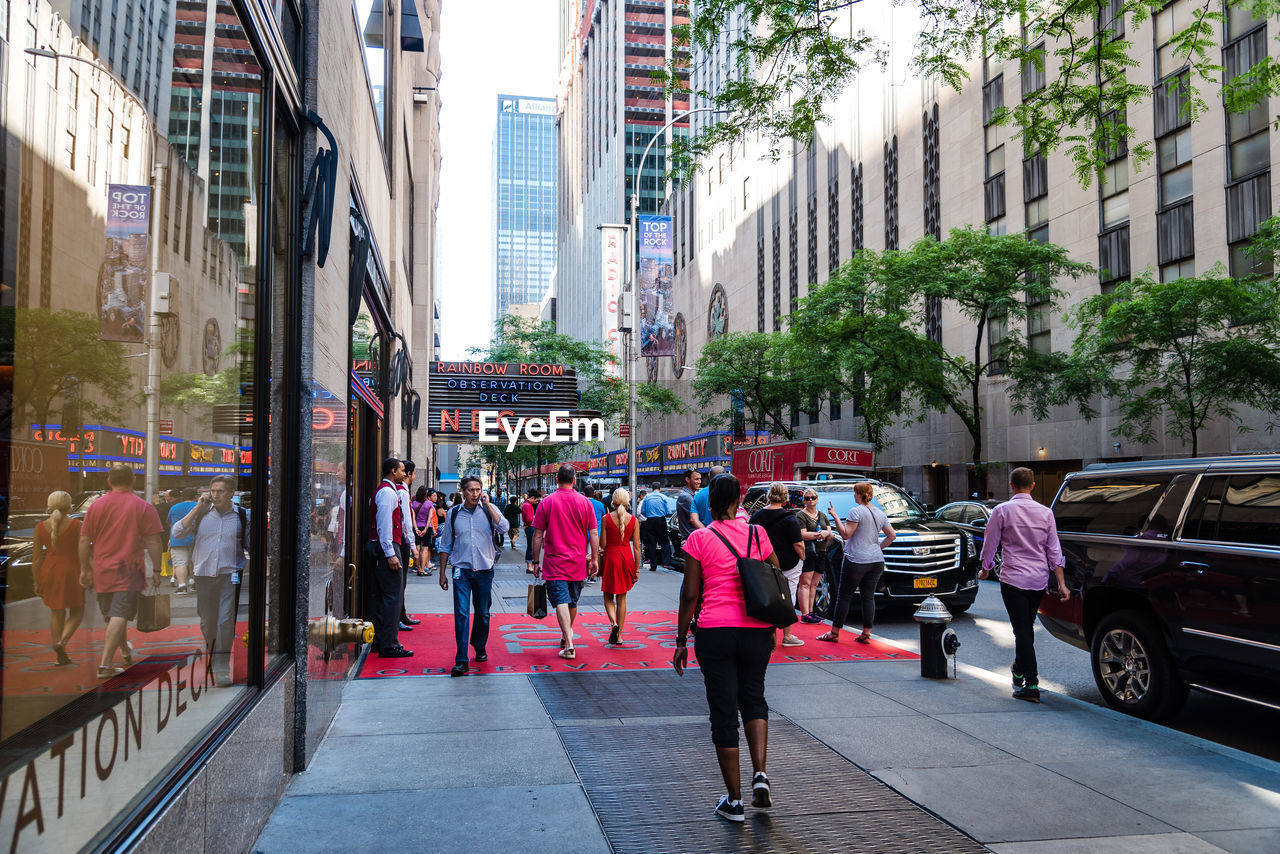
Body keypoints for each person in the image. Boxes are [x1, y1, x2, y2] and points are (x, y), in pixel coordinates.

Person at [673, 473, 778, 824]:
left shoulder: (700, 539)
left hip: (715, 630)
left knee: (723, 712)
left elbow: (690, 594)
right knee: (754, 698)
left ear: (710, 501)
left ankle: (734, 802)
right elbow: (775, 572)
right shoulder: (758, 534)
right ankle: (760, 773)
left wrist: (680, 639)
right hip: (756, 629)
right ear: (739, 501)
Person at [979, 467, 1070, 703]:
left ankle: (1031, 684)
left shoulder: (1001, 511)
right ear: (1032, 486)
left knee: (1022, 630)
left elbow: (991, 543)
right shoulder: (1045, 513)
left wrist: (986, 567)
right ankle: (1019, 670)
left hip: (1013, 579)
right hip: (1038, 580)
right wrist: (1061, 583)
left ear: (1011, 486)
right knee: (1025, 629)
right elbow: (1054, 550)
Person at [79, 465, 164, 679]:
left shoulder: (95, 506)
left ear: (108, 481)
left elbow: (83, 540)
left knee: (113, 615)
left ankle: (125, 650)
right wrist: (156, 569)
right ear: (133, 480)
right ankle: (105, 664)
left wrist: (84, 569)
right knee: (119, 613)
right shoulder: (142, 507)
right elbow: (154, 541)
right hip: (130, 569)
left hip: (102, 568)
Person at [172, 476, 249, 687]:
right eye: (213, 490)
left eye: (221, 491)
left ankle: (221, 664)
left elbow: (251, 544)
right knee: (207, 622)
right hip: (204, 574)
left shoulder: (242, 516)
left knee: (225, 621)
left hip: (229, 574)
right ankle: (215, 656)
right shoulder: (202, 513)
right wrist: (197, 508)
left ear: (231, 493)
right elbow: (177, 532)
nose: (215, 495)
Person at [436, 475, 509, 677]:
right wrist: (442, 572)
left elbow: (504, 527)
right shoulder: (454, 513)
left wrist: (489, 506)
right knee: (461, 613)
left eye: (478, 490)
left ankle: (479, 645)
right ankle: (461, 659)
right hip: (461, 571)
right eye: (471, 490)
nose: (475, 494)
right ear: (463, 491)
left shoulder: (488, 511)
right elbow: (446, 544)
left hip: (485, 570)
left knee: (483, 613)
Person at [531, 464, 599, 659]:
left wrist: (535, 561)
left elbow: (537, 535)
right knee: (572, 601)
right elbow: (593, 533)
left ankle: (569, 643)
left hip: (554, 562)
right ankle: (566, 635)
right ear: (574, 480)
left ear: (557, 480)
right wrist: (594, 558)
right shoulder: (585, 502)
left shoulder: (547, 502)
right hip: (578, 561)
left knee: (561, 600)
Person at [820, 482, 896, 645]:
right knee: (868, 597)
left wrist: (834, 516)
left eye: (855, 493)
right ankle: (866, 633)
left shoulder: (855, 511)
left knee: (844, 597)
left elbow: (846, 534)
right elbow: (892, 535)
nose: (853, 496)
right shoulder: (879, 512)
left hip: (856, 559)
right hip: (876, 560)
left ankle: (834, 632)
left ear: (860, 494)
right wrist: (877, 548)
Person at [749, 483, 806, 647]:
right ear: (785, 497)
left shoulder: (757, 516)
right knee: (788, 597)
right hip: (788, 563)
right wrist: (803, 557)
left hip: (763, 562)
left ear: (768, 496)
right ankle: (787, 635)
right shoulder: (790, 518)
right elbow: (798, 544)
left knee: (766, 595)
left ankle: (766, 631)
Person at [33, 490, 84, 666]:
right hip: (71, 570)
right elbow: (82, 551)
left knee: (56, 612)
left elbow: (37, 558)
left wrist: (36, 580)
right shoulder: (76, 525)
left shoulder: (40, 527)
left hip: (49, 570)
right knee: (77, 611)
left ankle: (58, 654)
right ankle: (62, 643)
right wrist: (88, 571)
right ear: (68, 505)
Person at [367, 457, 411, 658]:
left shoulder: (385, 491)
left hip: (381, 547)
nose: (404, 474)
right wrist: (391, 553)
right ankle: (389, 644)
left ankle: (380, 641)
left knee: (382, 597)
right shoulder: (387, 492)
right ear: (393, 471)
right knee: (393, 597)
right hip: (385, 547)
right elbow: (384, 524)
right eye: (402, 470)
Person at [600, 487, 641, 645]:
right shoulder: (634, 521)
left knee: (608, 595)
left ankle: (613, 624)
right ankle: (620, 635)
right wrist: (636, 569)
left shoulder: (606, 519)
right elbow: (637, 547)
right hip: (626, 558)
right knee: (622, 598)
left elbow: (603, 544)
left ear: (614, 501)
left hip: (611, 557)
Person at [795, 489, 835, 622]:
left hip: (821, 551)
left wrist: (825, 533)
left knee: (814, 583)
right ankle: (805, 614)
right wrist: (820, 534)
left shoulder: (822, 515)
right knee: (805, 583)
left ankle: (811, 612)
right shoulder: (801, 515)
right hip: (808, 552)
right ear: (804, 501)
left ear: (817, 499)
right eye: (807, 498)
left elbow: (830, 532)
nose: (811, 500)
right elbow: (802, 534)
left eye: (813, 497)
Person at [397, 461, 420, 630]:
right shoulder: (403, 493)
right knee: (400, 582)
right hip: (401, 541)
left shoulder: (399, 491)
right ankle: (398, 617)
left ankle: (401, 614)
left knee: (400, 581)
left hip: (400, 540)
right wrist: (412, 546)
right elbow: (405, 521)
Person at [166, 488, 198, 594]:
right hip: (196, 538)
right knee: (194, 562)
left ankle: (182, 586)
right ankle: (194, 583)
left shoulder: (174, 507)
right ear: (195, 496)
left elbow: (170, 523)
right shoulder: (198, 506)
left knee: (180, 563)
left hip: (177, 539)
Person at [639, 485, 673, 571]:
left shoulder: (647, 497)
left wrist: (649, 515)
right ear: (659, 488)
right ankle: (666, 563)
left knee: (651, 543)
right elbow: (668, 511)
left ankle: (653, 565)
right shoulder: (663, 497)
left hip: (650, 521)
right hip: (661, 520)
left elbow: (643, 511)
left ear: (652, 488)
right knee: (664, 541)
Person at [675, 469, 703, 553]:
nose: (699, 482)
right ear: (687, 480)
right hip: (690, 540)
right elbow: (698, 517)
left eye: (700, 479)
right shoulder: (686, 497)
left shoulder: (692, 495)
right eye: (696, 479)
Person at [690, 464, 724, 529]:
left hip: (705, 536)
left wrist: (707, 532)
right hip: (727, 535)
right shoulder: (730, 493)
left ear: (709, 477)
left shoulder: (699, 495)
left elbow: (693, 519)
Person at [412, 485, 433, 576]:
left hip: (416, 527)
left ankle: (419, 569)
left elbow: (413, 518)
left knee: (417, 548)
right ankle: (423, 570)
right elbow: (430, 518)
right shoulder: (429, 503)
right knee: (425, 549)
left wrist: (416, 528)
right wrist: (425, 529)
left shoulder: (413, 503)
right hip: (427, 528)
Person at [521, 489, 541, 573]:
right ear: (533, 497)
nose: (537, 502)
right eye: (536, 500)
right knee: (531, 546)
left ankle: (531, 565)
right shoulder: (527, 505)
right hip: (530, 527)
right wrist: (535, 517)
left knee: (531, 546)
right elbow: (529, 519)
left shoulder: (526, 504)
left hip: (529, 527)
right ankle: (529, 566)